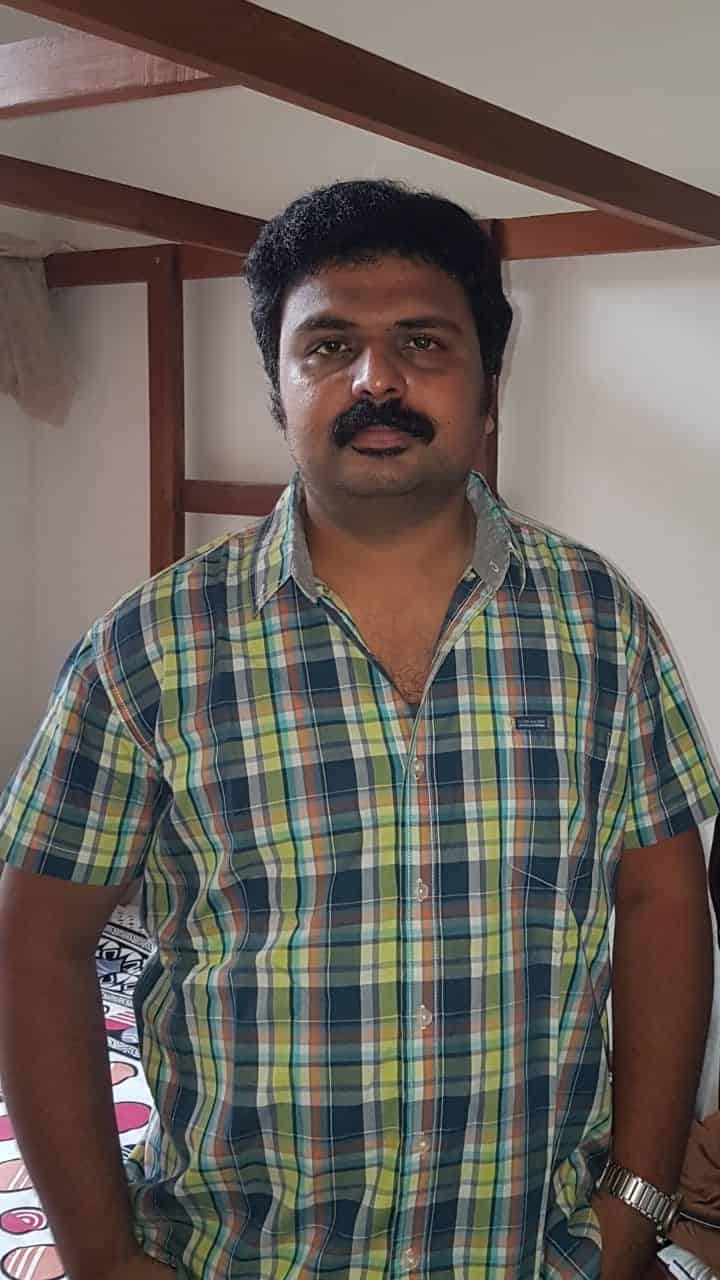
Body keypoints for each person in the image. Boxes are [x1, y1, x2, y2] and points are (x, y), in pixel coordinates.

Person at [0, 179, 717, 1280]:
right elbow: (35, 942)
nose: (375, 379)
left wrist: (637, 1201)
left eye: (422, 341)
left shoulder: (600, 623)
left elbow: (664, 902)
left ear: (488, 384)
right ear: (278, 387)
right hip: (240, 1253)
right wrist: (98, 1251)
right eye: (328, 346)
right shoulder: (148, 647)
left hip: (531, 1248)